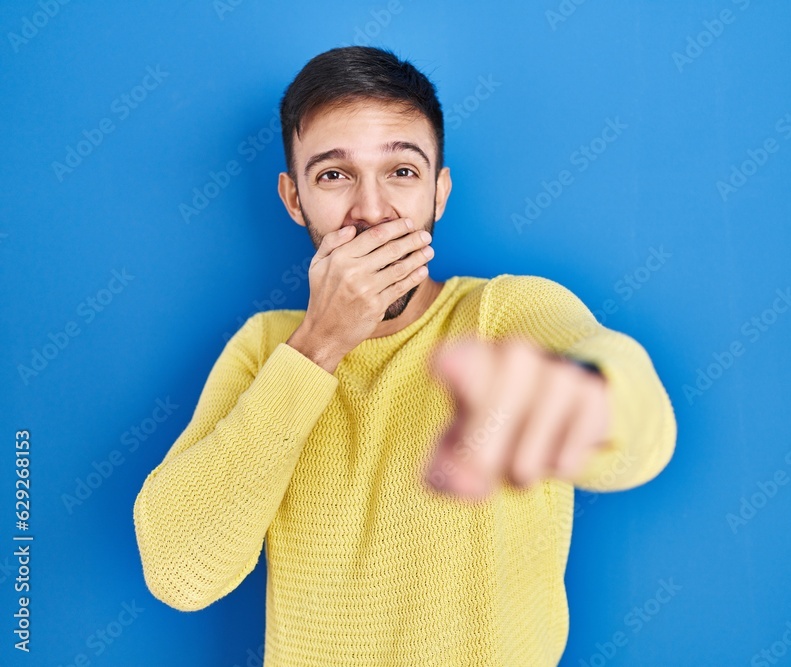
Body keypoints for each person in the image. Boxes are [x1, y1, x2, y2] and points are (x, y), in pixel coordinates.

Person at [132, 45, 677, 666]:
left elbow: (640, 436)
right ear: (294, 199)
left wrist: (590, 401)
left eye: (403, 172)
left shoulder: (505, 315)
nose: (371, 210)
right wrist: (318, 347)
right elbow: (180, 574)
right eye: (334, 175)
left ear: (439, 193)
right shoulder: (266, 349)